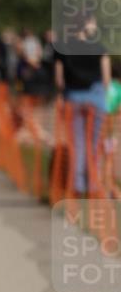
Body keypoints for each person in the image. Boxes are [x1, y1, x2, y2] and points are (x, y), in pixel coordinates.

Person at [55, 14, 111, 196]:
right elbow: (106, 79)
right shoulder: (99, 47)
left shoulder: (62, 47)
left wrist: (65, 94)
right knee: (94, 143)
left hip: (74, 98)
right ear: (87, 26)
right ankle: (93, 184)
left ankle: (77, 185)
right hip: (95, 97)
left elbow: (59, 80)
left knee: (77, 143)